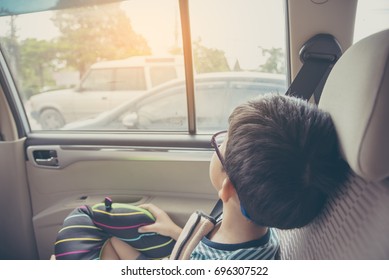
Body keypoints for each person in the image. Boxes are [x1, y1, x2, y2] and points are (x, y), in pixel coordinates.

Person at [100, 93, 349, 260]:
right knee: (114, 242)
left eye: (220, 146)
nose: (216, 145)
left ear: (228, 187)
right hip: (186, 251)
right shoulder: (261, 225)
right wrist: (178, 234)